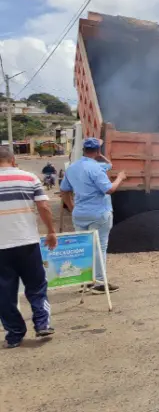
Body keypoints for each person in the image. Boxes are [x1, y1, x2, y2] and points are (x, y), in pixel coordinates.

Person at [0, 146, 57, 349]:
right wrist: (50, 231)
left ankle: (15, 334)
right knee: (36, 286)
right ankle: (42, 324)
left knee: (4, 293)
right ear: (13, 160)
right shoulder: (29, 177)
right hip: (27, 244)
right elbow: (43, 206)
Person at [60, 138, 126, 295]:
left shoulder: (72, 168)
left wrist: (71, 207)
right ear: (97, 151)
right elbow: (108, 189)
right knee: (100, 247)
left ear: (83, 150)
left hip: (79, 214)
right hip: (98, 213)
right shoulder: (97, 169)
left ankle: (86, 281)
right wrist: (120, 178)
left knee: (84, 247)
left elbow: (64, 190)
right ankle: (100, 283)